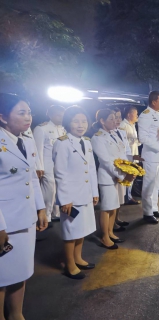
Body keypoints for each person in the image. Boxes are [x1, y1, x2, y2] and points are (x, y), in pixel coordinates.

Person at [0, 93, 48, 319]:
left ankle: (16, 314)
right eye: (21, 113)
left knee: (21, 271)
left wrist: (40, 208)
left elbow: (33, 179)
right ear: (2, 117)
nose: (28, 117)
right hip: (6, 223)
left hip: (26, 219)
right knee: (1, 277)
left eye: (29, 112)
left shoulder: (26, 141)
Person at [52, 106, 98, 280]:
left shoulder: (86, 141)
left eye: (84, 121)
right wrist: (65, 199)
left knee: (82, 229)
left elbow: (91, 168)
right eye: (76, 121)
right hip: (71, 197)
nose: (81, 125)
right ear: (68, 123)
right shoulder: (62, 143)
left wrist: (94, 191)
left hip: (85, 193)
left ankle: (78, 258)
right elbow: (60, 174)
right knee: (71, 232)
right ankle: (69, 265)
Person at [91, 109, 135, 249]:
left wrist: (130, 168)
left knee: (114, 206)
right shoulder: (97, 138)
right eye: (111, 118)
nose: (114, 121)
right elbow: (106, 161)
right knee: (107, 207)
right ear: (102, 121)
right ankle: (104, 236)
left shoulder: (115, 134)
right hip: (108, 177)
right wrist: (123, 175)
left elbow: (123, 154)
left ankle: (110, 232)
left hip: (118, 175)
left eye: (115, 118)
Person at [138, 91, 159, 224]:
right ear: (154, 101)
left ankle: (154, 208)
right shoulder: (146, 115)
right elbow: (143, 138)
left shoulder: (158, 114)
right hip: (151, 155)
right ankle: (147, 212)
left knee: (157, 184)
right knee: (149, 184)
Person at [33, 105, 66, 225]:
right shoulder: (42, 128)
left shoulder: (62, 129)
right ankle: (45, 215)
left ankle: (55, 213)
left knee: (58, 188)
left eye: (62, 115)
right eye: (58, 115)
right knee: (49, 189)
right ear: (50, 115)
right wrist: (39, 166)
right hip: (46, 162)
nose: (61, 117)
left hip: (59, 163)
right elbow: (38, 149)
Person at [120, 106, 141, 205]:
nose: (137, 116)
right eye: (135, 113)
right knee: (127, 176)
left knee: (132, 177)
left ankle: (128, 196)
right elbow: (122, 142)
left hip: (134, 155)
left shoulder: (132, 125)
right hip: (127, 156)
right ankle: (125, 197)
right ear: (129, 115)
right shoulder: (123, 125)